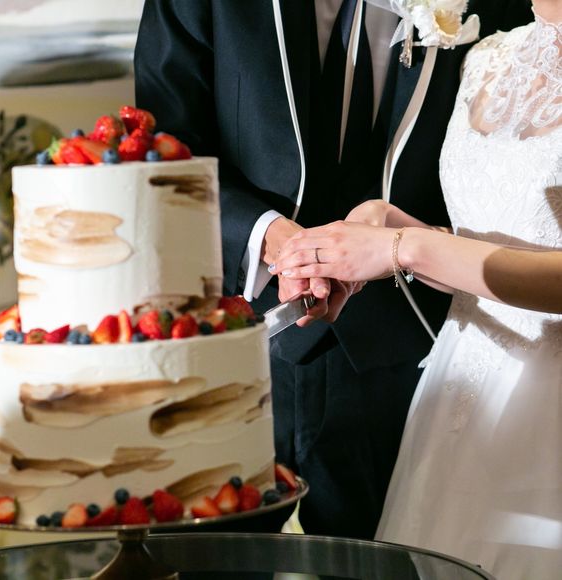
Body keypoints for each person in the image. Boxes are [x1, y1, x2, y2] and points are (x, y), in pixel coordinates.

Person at [134, 0, 532, 539]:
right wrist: (274, 240)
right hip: (238, 334)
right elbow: (165, 145)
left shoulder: (486, 7)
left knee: (381, 565)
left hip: (409, 353)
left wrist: (403, 246)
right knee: (213, 559)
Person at [271, 1, 562, 577]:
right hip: (462, 395)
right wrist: (388, 227)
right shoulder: (488, 54)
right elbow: (497, 238)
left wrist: (405, 250)